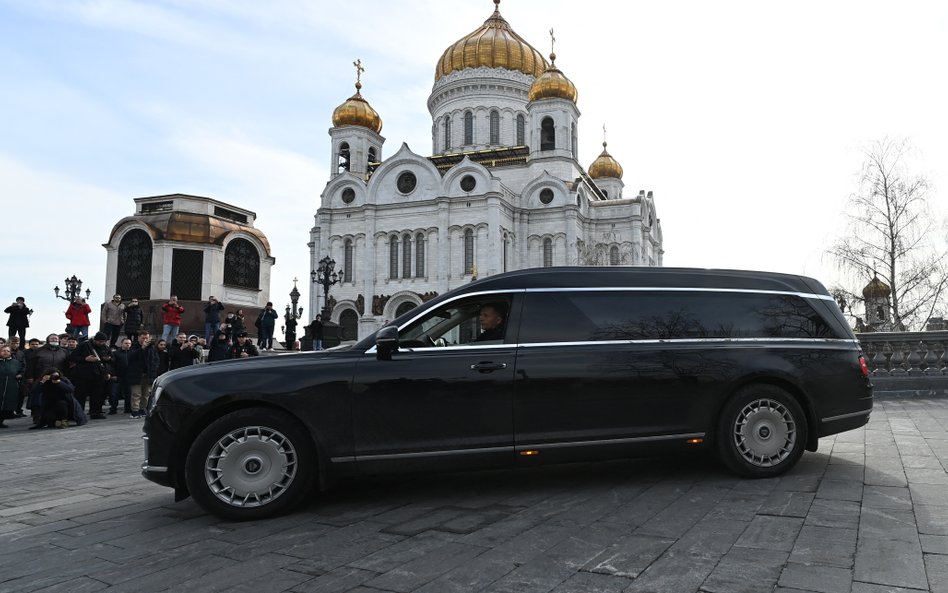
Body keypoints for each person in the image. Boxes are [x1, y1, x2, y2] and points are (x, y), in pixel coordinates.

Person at [68, 331, 113, 418]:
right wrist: (85, 359)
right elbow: (72, 357)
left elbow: (113, 360)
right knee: (81, 395)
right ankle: (79, 413)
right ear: (95, 340)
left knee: (97, 395)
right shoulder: (84, 345)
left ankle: (95, 412)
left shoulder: (106, 348)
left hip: (99, 375)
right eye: (100, 341)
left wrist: (108, 359)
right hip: (83, 375)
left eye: (103, 341)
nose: (102, 343)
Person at [128, 332, 159, 418]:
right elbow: (130, 357)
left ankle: (142, 409)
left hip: (148, 374)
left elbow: (156, 359)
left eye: (146, 338)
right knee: (136, 394)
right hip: (137, 374)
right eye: (143, 338)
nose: (145, 340)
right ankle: (135, 411)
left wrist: (154, 368)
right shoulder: (134, 346)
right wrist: (142, 348)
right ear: (138, 338)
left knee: (146, 394)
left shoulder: (152, 348)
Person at [0, 345, 24, 428]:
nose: (5, 352)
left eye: (8, 351)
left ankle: (1, 421)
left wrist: (20, 375)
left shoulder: (15, 362)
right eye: (3, 350)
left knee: (6, 406)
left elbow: (22, 371)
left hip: (11, 387)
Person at [109, 338, 133, 414]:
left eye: (129, 343)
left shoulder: (132, 353)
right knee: (114, 394)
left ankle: (128, 408)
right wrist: (113, 374)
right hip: (118, 376)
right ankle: (113, 409)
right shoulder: (116, 353)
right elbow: (112, 365)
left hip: (129, 376)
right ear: (122, 344)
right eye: (126, 343)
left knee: (128, 393)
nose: (127, 345)